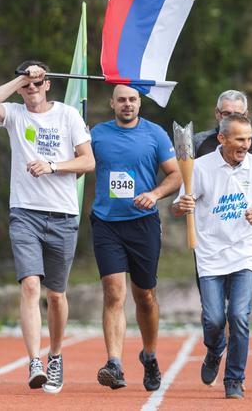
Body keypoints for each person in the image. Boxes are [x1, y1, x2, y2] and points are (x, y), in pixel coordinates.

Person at [0, 60, 95, 394]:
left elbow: (88, 161)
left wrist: (53, 166)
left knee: (56, 295)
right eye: (26, 84)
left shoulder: (68, 116)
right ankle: (34, 361)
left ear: (48, 85)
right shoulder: (14, 114)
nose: (31, 89)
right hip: (24, 213)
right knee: (30, 285)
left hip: (61, 215)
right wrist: (18, 80)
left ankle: (55, 356)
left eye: (36, 82)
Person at [172, 114, 252, 399]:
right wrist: (183, 205)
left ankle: (234, 378)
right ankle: (214, 348)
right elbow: (177, 208)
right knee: (213, 319)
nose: (246, 145)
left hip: (246, 249)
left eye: (248, 139)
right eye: (239, 139)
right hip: (209, 252)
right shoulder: (199, 167)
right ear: (222, 139)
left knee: (238, 314)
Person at [90, 84, 182, 392]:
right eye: (121, 100)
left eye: (132, 99)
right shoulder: (97, 134)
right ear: (112, 103)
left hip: (142, 223)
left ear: (139, 103)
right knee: (114, 292)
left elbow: (175, 175)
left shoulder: (154, 134)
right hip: (106, 223)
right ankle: (114, 363)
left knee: (145, 296)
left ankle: (150, 355)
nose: (127, 104)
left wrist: (154, 194)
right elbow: (78, 161)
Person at [193, 90, 252, 165]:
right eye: (226, 114)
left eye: (237, 115)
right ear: (217, 113)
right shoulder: (199, 142)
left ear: (245, 115)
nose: (232, 119)